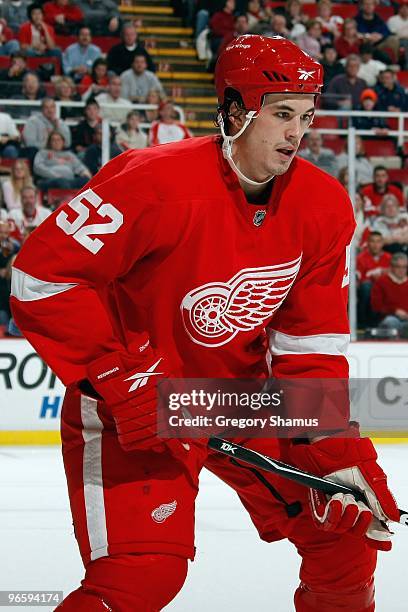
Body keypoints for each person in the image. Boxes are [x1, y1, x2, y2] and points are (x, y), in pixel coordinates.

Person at [10, 35, 399, 612]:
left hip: (237, 400)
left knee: (345, 534)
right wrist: (115, 377)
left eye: (307, 117)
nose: (297, 133)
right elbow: (41, 276)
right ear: (238, 110)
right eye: (282, 115)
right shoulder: (149, 181)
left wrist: (332, 444)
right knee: (141, 576)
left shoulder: (322, 205)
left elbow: (308, 346)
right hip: (138, 401)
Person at [357, 230, 391, 326]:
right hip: (368, 289)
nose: (375, 245)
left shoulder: (389, 258)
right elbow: (360, 280)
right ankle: (363, 323)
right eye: (372, 241)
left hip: (385, 288)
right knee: (367, 287)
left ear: (382, 243)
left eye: (378, 241)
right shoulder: (360, 258)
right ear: (368, 243)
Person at [371, 252, 408, 335]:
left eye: (404, 267)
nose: (402, 270)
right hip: (390, 318)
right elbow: (376, 306)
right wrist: (394, 311)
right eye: (398, 267)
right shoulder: (381, 282)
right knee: (391, 322)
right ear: (391, 267)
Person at [355, 0, 399, 65]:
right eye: (366, 4)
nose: (368, 6)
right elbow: (354, 32)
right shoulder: (357, 19)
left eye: (371, 4)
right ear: (362, 6)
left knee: (393, 39)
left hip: (378, 44)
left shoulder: (378, 19)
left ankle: (394, 64)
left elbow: (387, 32)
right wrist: (368, 36)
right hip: (363, 44)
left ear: (374, 6)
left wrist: (380, 36)